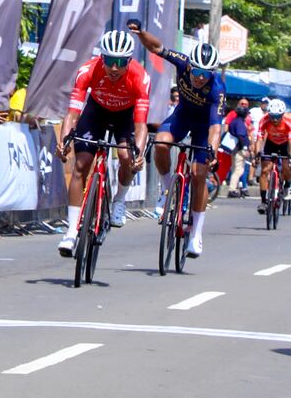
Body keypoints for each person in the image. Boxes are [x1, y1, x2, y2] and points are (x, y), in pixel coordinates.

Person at [128, 21, 224, 258]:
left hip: (204, 127)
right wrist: (141, 33)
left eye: (206, 74)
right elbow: (156, 48)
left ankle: (196, 235)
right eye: (197, 71)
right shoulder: (182, 61)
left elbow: (215, 129)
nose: (200, 78)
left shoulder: (217, 89)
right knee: (160, 143)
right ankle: (167, 186)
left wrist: (211, 153)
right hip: (182, 116)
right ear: (189, 64)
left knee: (199, 173)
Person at [55, 30, 149, 257]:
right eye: (109, 61)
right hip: (96, 112)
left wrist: (140, 152)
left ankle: (119, 199)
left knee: (126, 157)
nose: (114, 68)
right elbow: (72, 114)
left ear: (129, 61)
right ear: (101, 58)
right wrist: (64, 140)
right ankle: (70, 232)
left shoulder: (140, 77)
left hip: (124, 116)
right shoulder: (88, 70)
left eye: (120, 62)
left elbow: (141, 125)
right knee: (81, 165)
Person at [253, 98, 291, 212]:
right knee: (265, 171)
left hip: (285, 144)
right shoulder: (264, 120)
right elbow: (259, 139)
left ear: (282, 115)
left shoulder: (288, 121)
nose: (274, 119)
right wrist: (257, 154)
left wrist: (289, 156)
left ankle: (287, 185)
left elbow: (290, 142)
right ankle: (264, 202)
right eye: (272, 116)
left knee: (286, 167)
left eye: (277, 116)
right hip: (271, 143)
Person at [225, 101, 251, 197]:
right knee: (239, 170)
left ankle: (234, 188)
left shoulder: (234, 121)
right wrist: (245, 148)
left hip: (234, 149)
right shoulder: (240, 123)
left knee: (235, 168)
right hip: (239, 149)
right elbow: (241, 136)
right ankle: (232, 189)